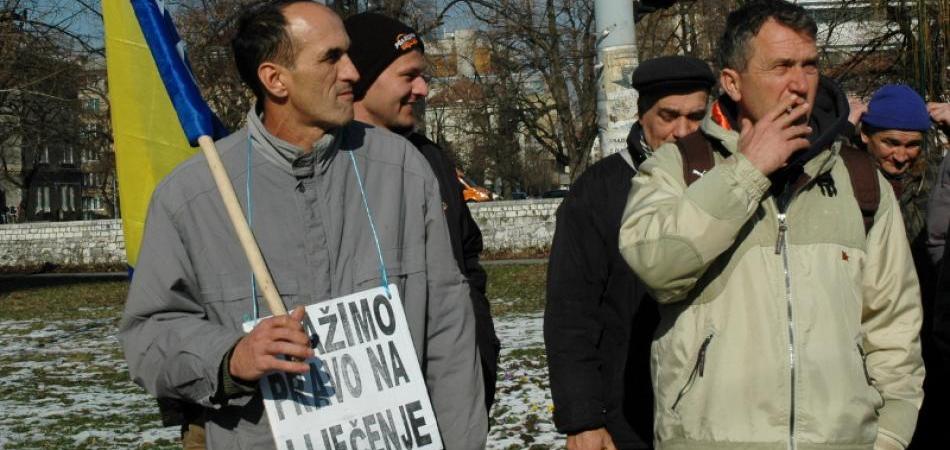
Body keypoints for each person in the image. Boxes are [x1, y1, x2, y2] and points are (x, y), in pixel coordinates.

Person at [118, 2, 487, 449]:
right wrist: (230, 357)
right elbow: (149, 336)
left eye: (348, 55)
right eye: (332, 58)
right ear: (275, 79)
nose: (352, 72)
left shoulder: (403, 170)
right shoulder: (192, 197)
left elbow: (448, 331)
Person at [618, 1, 924, 449]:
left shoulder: (860, 180)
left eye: (810, 65)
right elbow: (657, 266)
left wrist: (891, 437)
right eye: (780, 66)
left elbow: (894, 327)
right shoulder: (675, 168)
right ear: (732, 82)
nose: (799, 84)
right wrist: (747, 170)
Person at [544, 55, 715, 450]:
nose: (683, 131)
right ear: (642, 115)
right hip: (629, 413)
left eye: (695, 117)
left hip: (714, 411)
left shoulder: (728, 183)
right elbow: (571, 311)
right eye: (669, 116)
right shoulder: (597, 192)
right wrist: (583, 417)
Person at [343, 12, 501, 411]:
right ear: (362, 77)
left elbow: (466, 262)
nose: (423, 89)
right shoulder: (329, 163)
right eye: (408, 76)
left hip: (447, 394)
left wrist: (480, 350)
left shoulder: (431, 159)